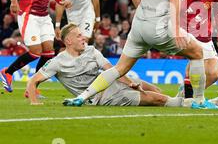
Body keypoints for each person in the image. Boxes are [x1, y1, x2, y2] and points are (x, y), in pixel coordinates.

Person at [62, 0, 218, 109]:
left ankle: (81, 97)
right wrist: (175, 29)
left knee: (120, 68)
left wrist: (142, 10)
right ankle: (198, 101)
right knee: (197, 53)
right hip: (160, 28)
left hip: (138, 26)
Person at [26, 23, 189, 108]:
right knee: (157, 99)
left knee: (156, 90)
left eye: (83, 35)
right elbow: (33, 81)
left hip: (115, 83)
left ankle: (182, 97)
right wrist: (34, 102)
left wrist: (131, 83)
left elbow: (112, 71)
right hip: (103, 97)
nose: (84, 38)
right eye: (79, 36)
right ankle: (187, 102)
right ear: (68, 41)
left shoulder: (91, 50)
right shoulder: (58, 62)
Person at [1, 0, 72, 94]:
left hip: (44, 16)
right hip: (29, 14)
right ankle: (7, 72)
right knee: (35, 51)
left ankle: (32, 87)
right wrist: (14, 2)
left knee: (49, 53)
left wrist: (64, 1)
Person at [178, 0, 218, 104]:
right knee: (194, 62)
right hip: (188, 37)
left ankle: (187, 95)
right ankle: (190, 99)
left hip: (206, 38)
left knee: (214, 73)